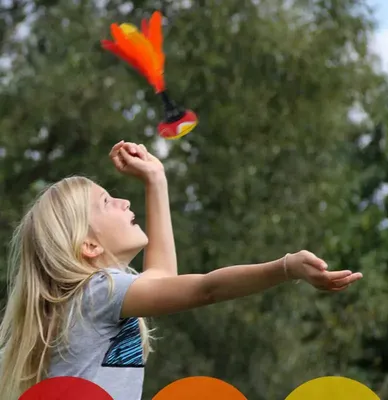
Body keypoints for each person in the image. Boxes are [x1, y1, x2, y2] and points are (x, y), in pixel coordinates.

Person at [0, 141, 363, 400]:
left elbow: (162, 278)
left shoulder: (91, 296)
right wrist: (286, 267)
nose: (124, 201)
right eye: (107, 202)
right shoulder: (98, 291)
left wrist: (156, 180)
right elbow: (206, 289)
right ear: (89, 246)